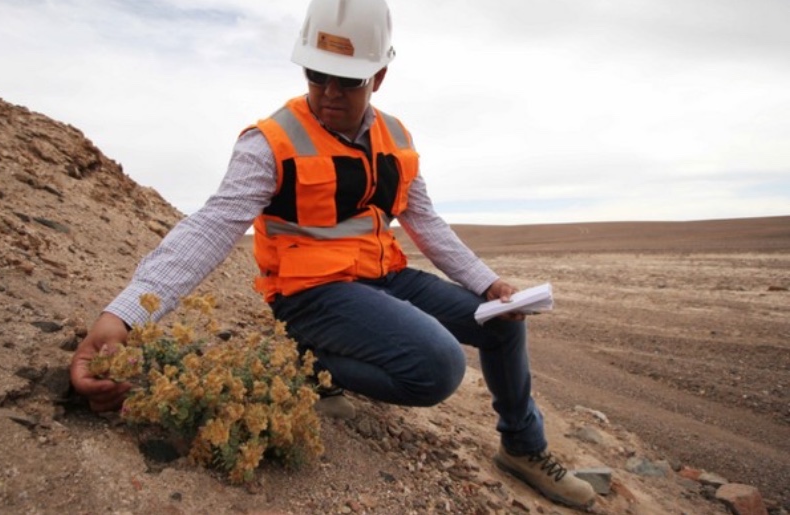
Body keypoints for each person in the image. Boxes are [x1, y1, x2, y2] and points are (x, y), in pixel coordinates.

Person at [69, 0, 596, 509]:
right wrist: (126, 316)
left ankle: (522, 447)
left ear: (379, 78)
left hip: (383, 277)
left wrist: (487, 284)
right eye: (317, 76)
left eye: (348, 80)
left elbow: (425, 219)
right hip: (311, 294)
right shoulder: (269, 142)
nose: (329, 93)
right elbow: (209, 228)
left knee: (503, 324)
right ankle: (310, 363)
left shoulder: (396, 136)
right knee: (438, 366)